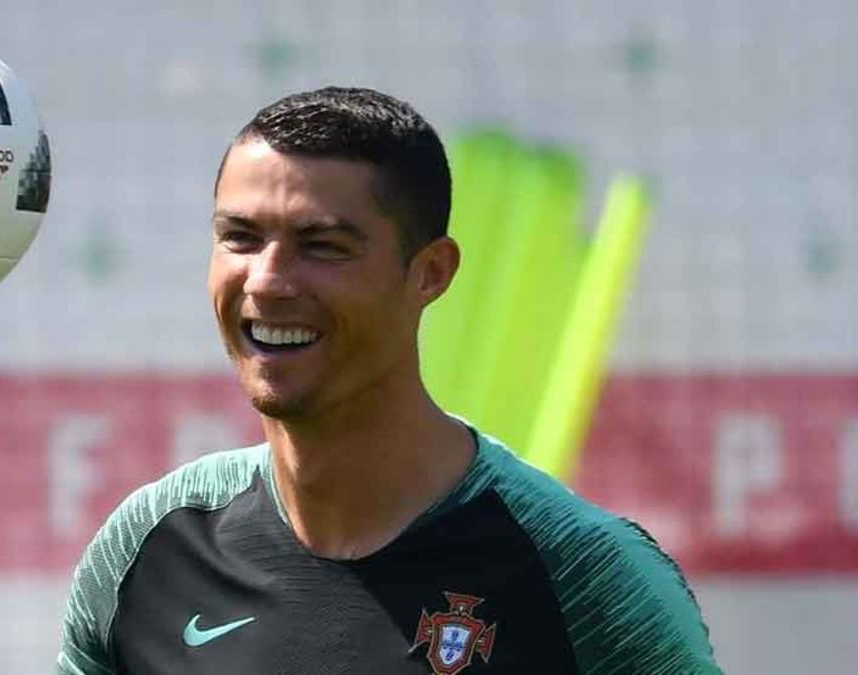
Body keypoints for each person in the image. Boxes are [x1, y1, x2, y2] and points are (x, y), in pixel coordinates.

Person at [56, 87, 719, 674]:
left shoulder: (583, 574)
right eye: (241, 237)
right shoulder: (150, 548)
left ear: (430, 272)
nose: (266, 280)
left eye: (322, 245)